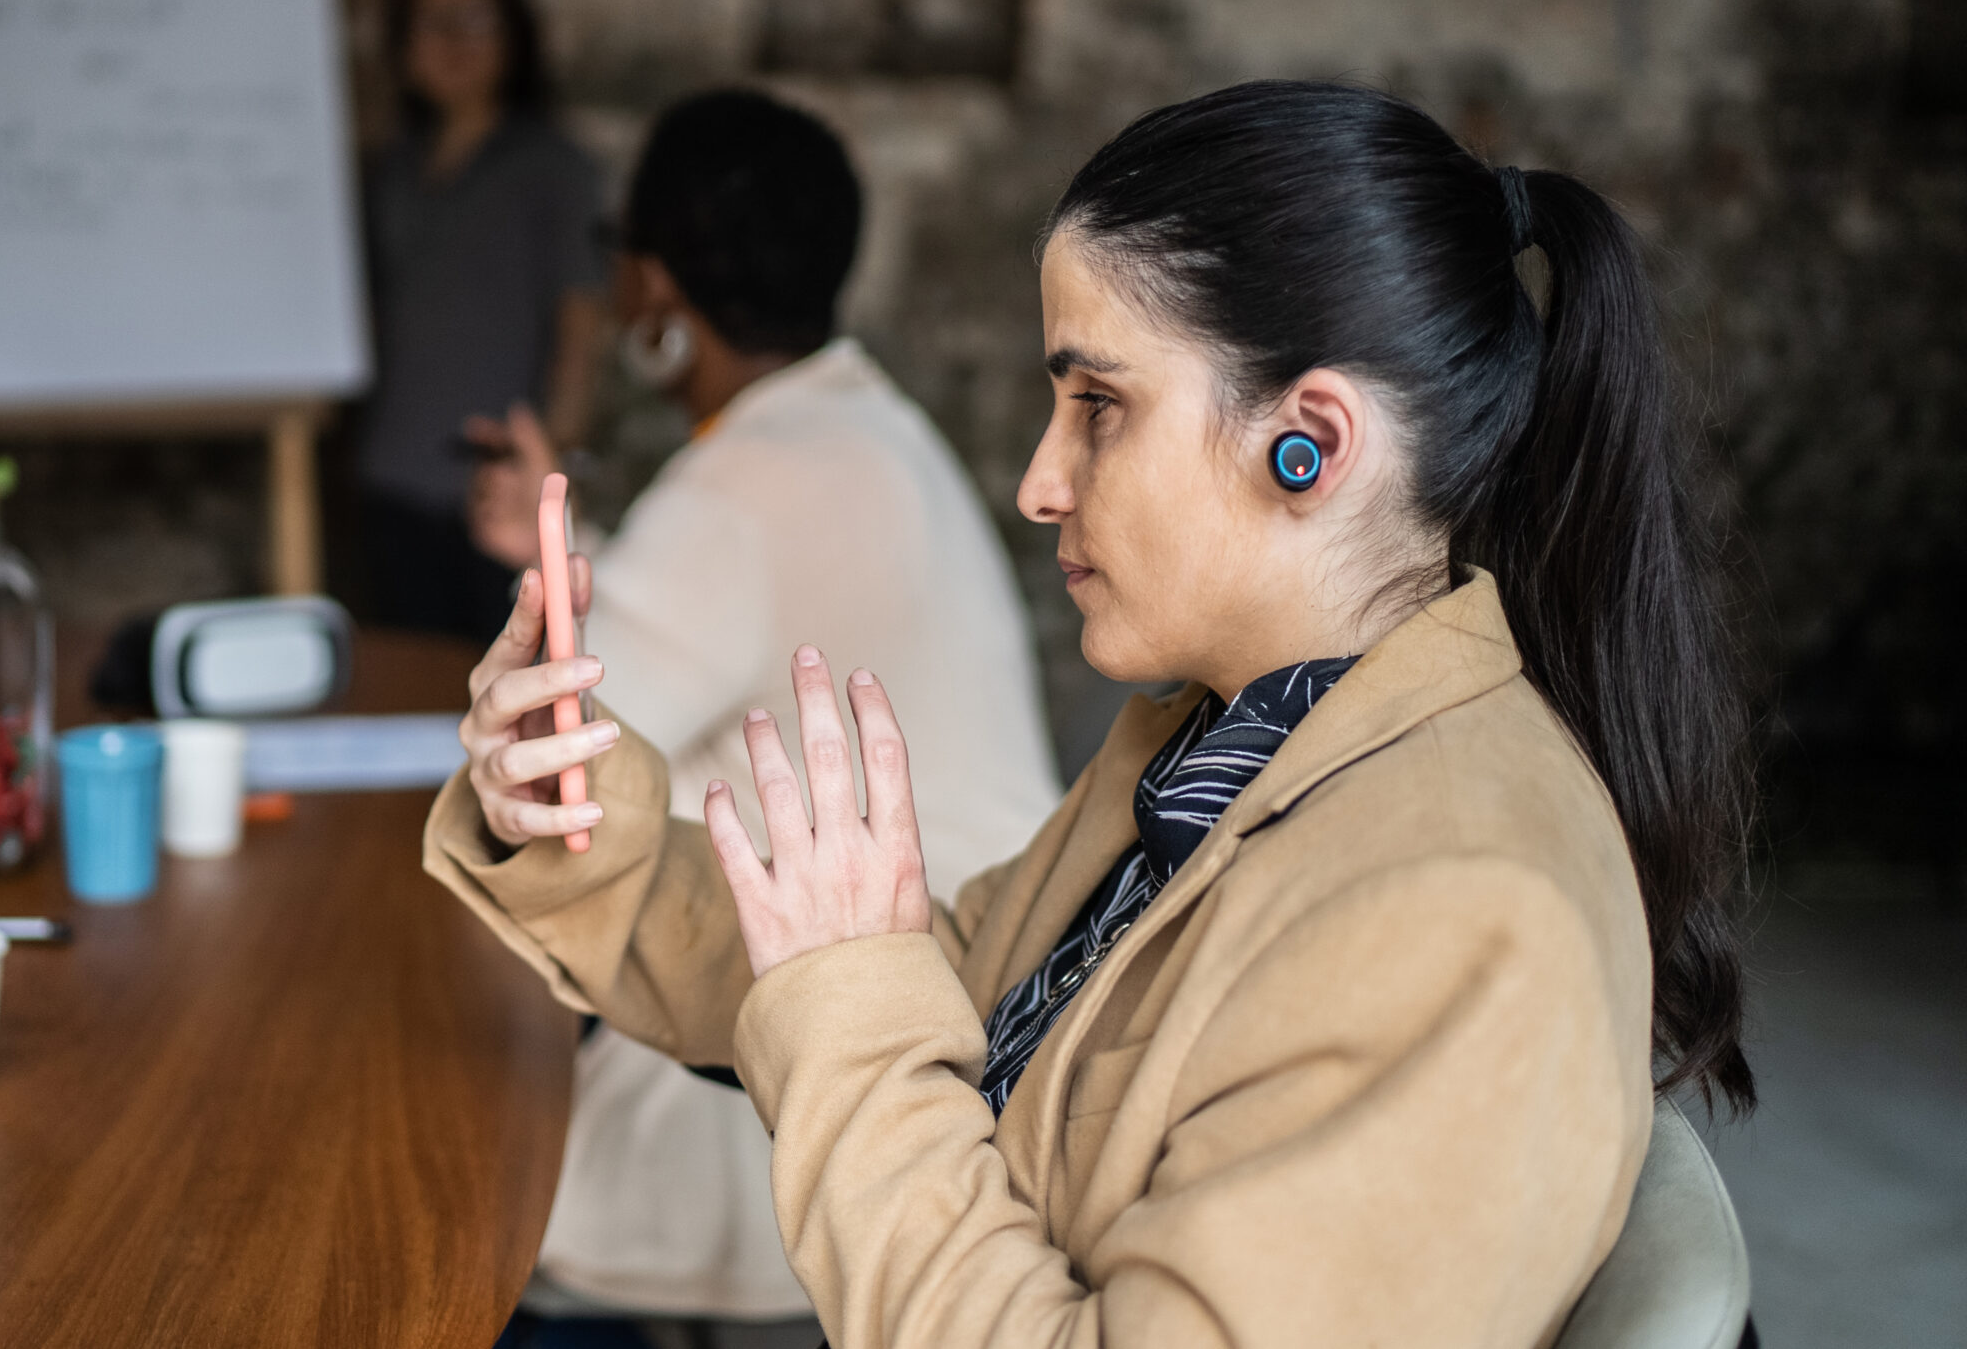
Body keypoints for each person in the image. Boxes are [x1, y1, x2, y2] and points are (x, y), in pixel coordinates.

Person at [432, 81, 1758, 1348]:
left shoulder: (1461, 908)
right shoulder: (1235, 740)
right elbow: (927, 972)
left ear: (1313, 443)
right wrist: (568, 821)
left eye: (1100, 407)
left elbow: (874, 1008)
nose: (1037, 482)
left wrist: (853, 1021)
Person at [462, 90, 1060, 1324]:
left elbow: (553, 743)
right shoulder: (865, 427)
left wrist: (537, 604)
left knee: (487, 1226)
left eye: (619, 259)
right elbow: (709, 612)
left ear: (656, 297)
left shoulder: (741, 482)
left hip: (860, 1033)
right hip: (985, 1005)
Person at [353, 0, 607, 642]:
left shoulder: (554, 167)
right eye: (432, 21)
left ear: (515, 36)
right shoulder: (388, 171)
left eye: (476, 18)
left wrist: (551, 467)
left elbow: (582, 322)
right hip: (394, 473)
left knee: (503, 688)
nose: (454, 41)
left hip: (498, 490)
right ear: (402, 44)